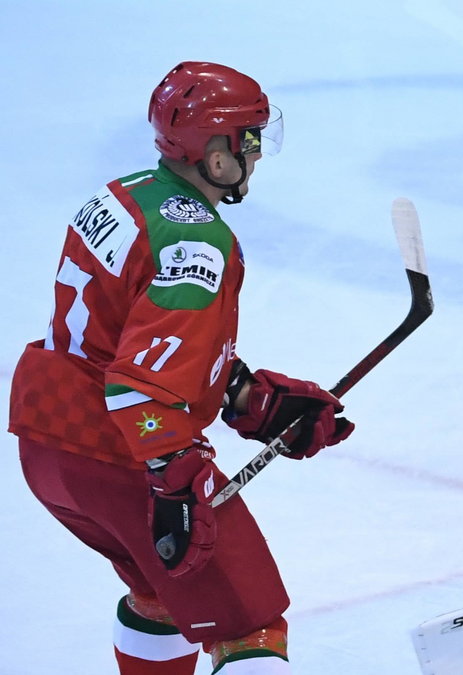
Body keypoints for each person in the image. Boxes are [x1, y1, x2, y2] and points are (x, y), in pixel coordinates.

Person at [8, 62, 354, 675]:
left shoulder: (120, 195)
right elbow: (138, 389)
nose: (256, 154)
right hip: (124, 457)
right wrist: (174, 477)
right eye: (247, 140)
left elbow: (128, 339)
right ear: (214, 154)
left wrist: (246, 394)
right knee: (248, 628)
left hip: (49, 447)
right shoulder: (199, 244)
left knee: (163, 600)